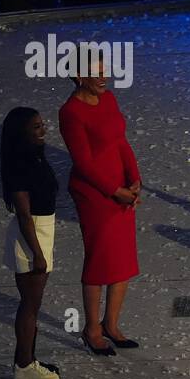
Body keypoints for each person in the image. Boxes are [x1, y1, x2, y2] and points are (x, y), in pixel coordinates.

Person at [58, 56, 142, 355]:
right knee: (99, 259)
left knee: (122, 258)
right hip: (95, 195)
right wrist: (114, 190)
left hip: (120, 189)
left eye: (105, 71)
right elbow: (83, 162)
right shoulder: (71, 112)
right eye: (97, 73)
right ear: (79, 76)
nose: (105, 78)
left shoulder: (108, 100)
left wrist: (134, 180)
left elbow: (121, 142)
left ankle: (112, 324)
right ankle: (92, 328)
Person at [0, 107, 62, 379]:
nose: (43, 130)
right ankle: (24, 366)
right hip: (32, 233)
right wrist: (37, 252)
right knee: (30, 304)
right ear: (22, 132)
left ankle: (27, 360)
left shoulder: (34, 156)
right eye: (36, 127)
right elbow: (24, 214)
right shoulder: (20, 162)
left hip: (41, 229)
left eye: (41, 124)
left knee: (33, 304)